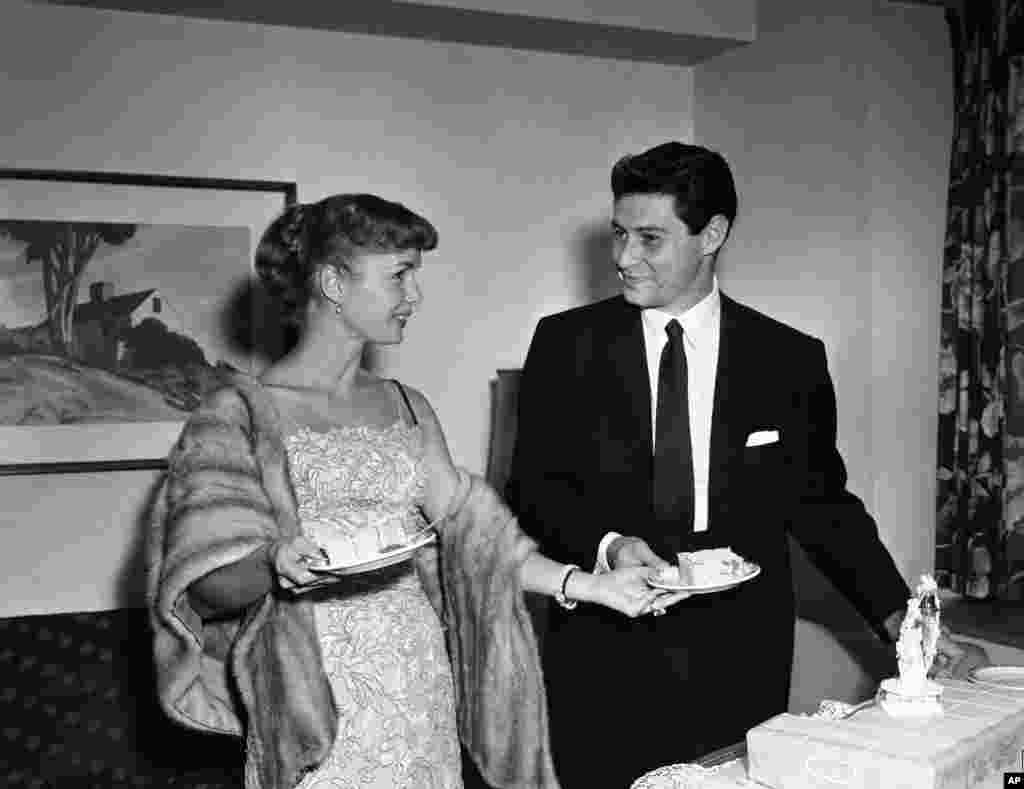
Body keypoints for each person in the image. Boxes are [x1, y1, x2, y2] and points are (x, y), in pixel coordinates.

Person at [504, 142, 988, 787]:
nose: (623, 258)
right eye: (619, 235)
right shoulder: (565, 344)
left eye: (650, 238)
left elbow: (824, 507)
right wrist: (611, 544)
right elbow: (533, 489)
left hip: (738, 659)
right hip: (603, 653)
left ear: (712, 235)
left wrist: (902, 619)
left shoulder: (787, 359)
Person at [147, 193, 667, 789]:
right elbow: (204, 586)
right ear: (333, 283)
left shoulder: (407, 406)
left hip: (420, 682)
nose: (413, 296)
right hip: (314, 700)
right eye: (400, 275)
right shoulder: (232, 416)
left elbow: (479, 535)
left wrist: (593, 586)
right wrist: (272, 563)